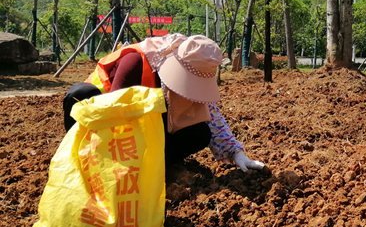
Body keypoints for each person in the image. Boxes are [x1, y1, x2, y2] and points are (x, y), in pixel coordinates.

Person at [63, 34, 265, 172]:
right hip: (104, 127)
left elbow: (212, 116)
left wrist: (237, 154)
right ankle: (88, 164)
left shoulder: (196, 63)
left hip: (144, 133)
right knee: (79, 94)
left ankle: (157, 170)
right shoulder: (135, 62)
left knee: (200, 132)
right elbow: (113, 116)